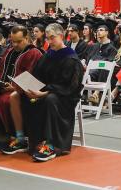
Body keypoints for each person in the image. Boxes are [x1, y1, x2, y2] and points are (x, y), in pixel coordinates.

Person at [21, 23, 84, 162]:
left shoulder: (71, 59)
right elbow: (37, 76)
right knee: (23, 98)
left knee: (50, 100)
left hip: (64, 98)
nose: (49, 42)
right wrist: (29, 88)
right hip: (45, 92)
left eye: (52, 38)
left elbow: (70, 87)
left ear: (61, 36)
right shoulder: (48, 55)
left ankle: (52, 145)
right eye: (47, 38)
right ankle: (35, 141)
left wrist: (44, 93)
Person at [0, 25, 42, 154]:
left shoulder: (34, 52)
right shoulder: (9, 52)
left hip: (25, 91)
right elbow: (1, 71)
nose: (14, 44)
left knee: (7, 99)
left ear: (26, 38)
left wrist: (14, 86)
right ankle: (0, 136)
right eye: (12, 41)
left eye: (18, 41)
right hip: (7, 88)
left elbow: (31, 78)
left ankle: (19, 137)